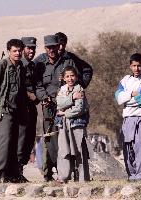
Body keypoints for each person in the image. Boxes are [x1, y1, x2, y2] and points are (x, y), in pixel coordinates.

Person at [0, 39, 29, 183]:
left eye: (19, 51)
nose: (17, 53)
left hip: (17, 111)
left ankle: (11, 174)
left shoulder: (21, 67)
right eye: (14, 51)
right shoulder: (1, 65)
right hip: (3, 110)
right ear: (9, 51)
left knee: (14, 144)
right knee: (3, 142)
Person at [34, 35, 76, 182]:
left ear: (58, 46)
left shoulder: (67, 61)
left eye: (54, 47)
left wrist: (74, 95)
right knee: (49, 138)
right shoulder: (39, 62)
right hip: (48, 107)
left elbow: (75, 79)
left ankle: (65, 171)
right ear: (45, 48)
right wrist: (43, 97)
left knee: (65, 137)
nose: (51, 50)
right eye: (49, 47)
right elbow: (36, 84)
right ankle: (48, 172)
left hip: (66, 106)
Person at [115, 53, 141, 181]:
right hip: (128, 118)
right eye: (134, 66)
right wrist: (131, 94)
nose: (137, 68)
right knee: (127, 147)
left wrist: (128, 98)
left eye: (139, 66)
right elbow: (119, 98)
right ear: (130, 66)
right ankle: (131, 175)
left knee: (140, 146)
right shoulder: (125, 80)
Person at [56, 66, 90, 183]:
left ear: (76, 77)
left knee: (79, 150)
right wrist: (71, 97)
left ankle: (82, 178)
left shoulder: (79, 89)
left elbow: (79, 109)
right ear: (64, 78)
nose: (70, 78)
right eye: (67, 76)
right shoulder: (62, 90)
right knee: (63, 150)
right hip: (63, 125)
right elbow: (59, 103)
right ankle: (63, 176)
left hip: (77, 124)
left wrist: (64, 113)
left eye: (72, 76)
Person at [17, 36, 39, 174]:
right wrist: (29, 95)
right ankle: (14, 171)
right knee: (21, 139)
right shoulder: (18, 65)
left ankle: (20, 170)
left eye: (33, 48)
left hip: (31, 108)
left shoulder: (32, 65)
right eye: (28, 48)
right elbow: (15, 86)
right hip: (21, 108)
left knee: (29, 138)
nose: (31, 51)